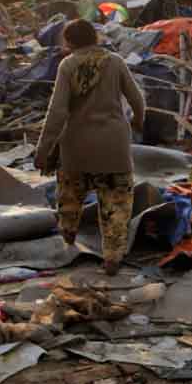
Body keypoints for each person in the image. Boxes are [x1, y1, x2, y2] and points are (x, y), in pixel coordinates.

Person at [34, 19, 145, 275]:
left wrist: (43, 151)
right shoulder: (115, 62)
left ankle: (70, 234)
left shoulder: (68, 65)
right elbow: (136, 99)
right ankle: (112, 258)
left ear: (69, 41)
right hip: (114, 145)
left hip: (76, 146)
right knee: (116, 203)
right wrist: (138, 121)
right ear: (95, 37)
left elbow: (57, 112)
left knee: (70, 197)